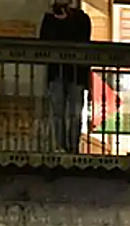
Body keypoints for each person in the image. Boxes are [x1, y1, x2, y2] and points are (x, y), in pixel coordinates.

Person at [39, 0, 91, 153]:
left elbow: (82, 40)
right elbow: (44, 42)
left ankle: (73, 146)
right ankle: (60, 146)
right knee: (57, 111)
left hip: (76, 73)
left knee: (75, 112)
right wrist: (56, 19)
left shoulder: (82, 19)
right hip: (56, 72)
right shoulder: (49, 20)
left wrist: (66, 18)